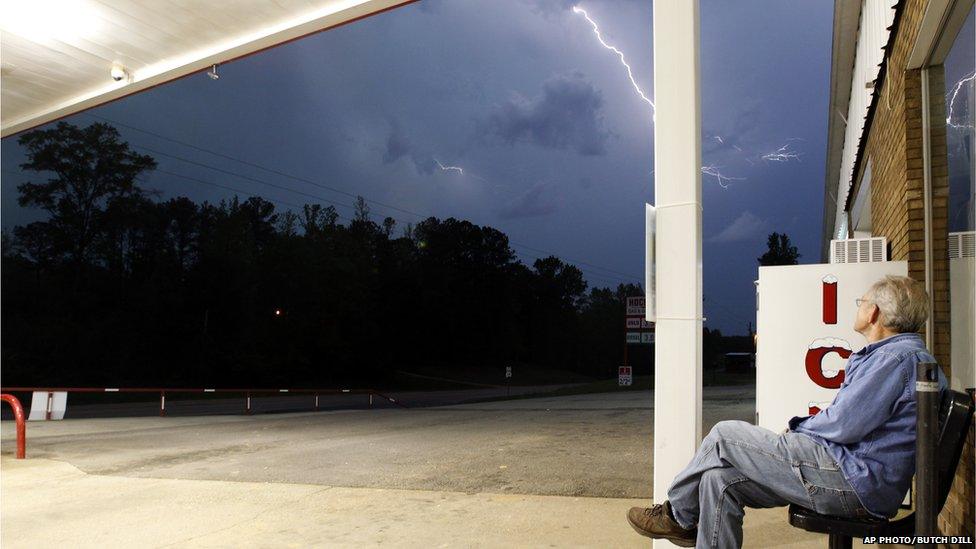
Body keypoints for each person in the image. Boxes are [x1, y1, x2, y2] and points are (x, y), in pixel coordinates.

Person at [626, 275, 948, 547]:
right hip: (851, 472)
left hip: (855, 482)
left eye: (861, 302)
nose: (859, 307)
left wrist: (796, 429)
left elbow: (843, 423)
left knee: (724, 434)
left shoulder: (896, 360)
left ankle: (676, 516)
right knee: (717, 478)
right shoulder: (898, 356)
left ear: (874, 312)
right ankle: (683, 519)